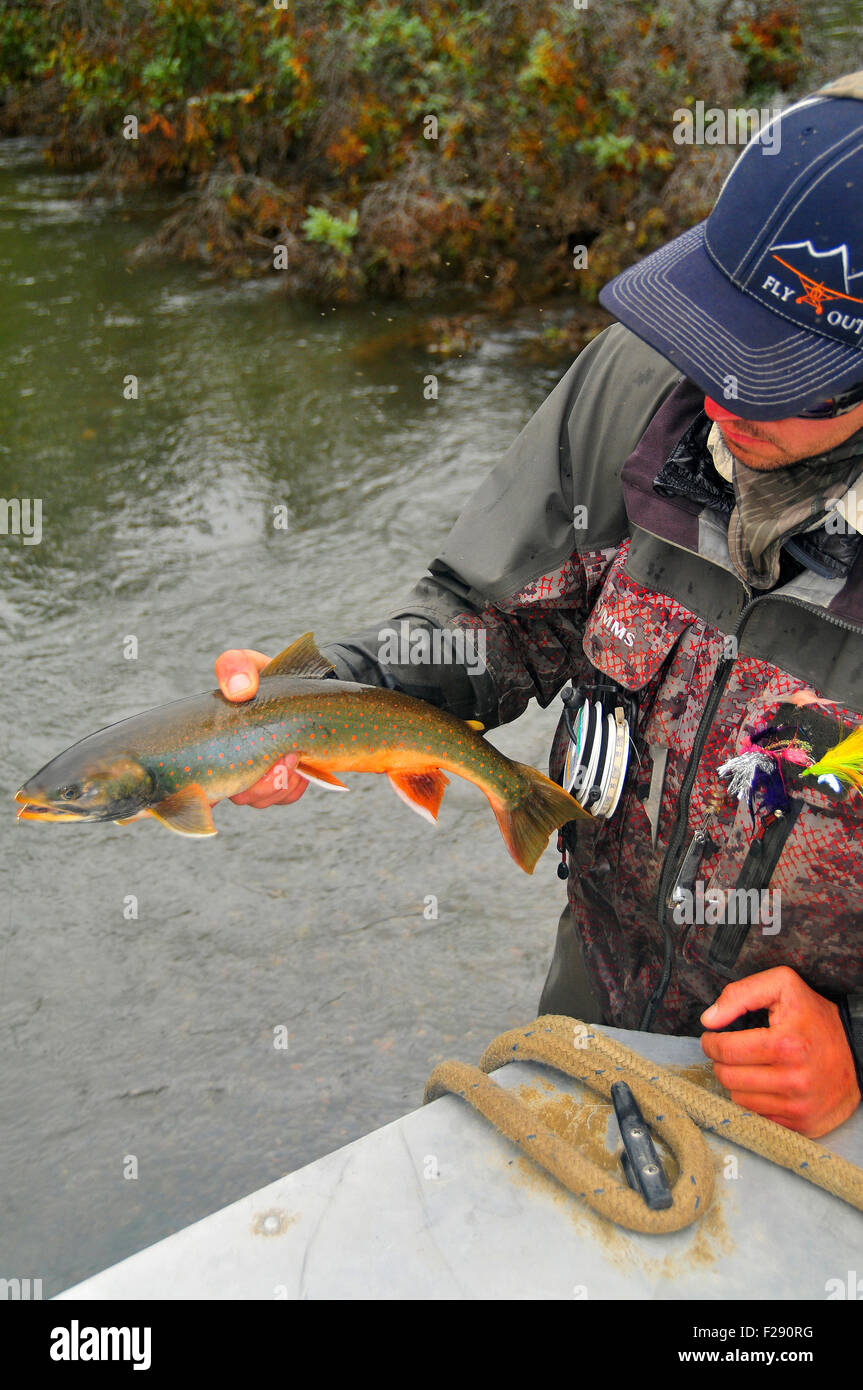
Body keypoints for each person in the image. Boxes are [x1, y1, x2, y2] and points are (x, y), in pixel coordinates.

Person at [215, 73, 863, 1138]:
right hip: (590, 1032)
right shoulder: (638, 382)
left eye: (768, 376)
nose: (713, 395)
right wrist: (333, 696)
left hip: (821, 1115)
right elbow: (500, 616)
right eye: (712, 335)